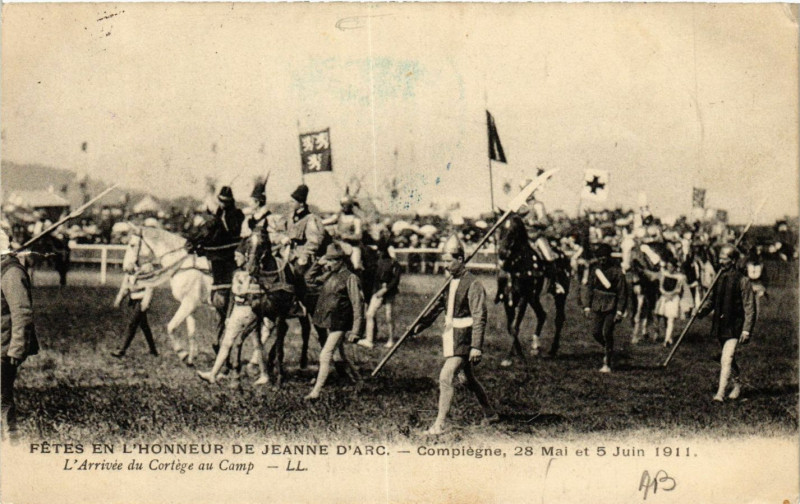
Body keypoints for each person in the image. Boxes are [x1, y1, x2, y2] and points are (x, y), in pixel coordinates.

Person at [410, 235, 498, 435]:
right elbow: (438, 308)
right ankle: (490, 414)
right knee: (467, 379)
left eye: (449, 261)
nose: (445, 265)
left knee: (446, 376)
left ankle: (440, 424)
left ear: (460, 259)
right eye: (444, 261)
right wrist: (420, 325)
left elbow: (479, 316)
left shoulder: (473, 284)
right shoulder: (448, 283)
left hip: (465, 338)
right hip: (451, 335)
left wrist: (476, 346)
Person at [185, 185, 245, 351]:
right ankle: (220, 335)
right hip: (218, 258)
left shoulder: (237, 214)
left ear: (230, 201)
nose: (222, 204)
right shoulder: (218, 213)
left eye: (225, 201)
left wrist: (220, 221)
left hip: (232, 255)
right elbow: (211, 235)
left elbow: (231, 233)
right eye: (221, 201)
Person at [697, 244, 756, 402]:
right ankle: (737, 385)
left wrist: (746, 330)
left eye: (724, 258)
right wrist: (701, 312)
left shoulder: (743, 281)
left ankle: (720, 393)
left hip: (736, 325)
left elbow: (750, 307)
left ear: (733, 260)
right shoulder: (718, 278)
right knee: (727, 357)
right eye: (720, 257)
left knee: (727, 357)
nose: (720, 261)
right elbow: (710, 300)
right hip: (721, 324)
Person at [304, 243, 363, 400]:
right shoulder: (330, 275)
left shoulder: (350, 278)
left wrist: (356, 330)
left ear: (340, 261)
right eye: (327, 261)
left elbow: (358, 305)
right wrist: (318, 262)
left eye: (331, 261)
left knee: (325, 355)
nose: (328, 264)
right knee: (339, 356)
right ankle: (359, 382)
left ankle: (316, 392)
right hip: (329, 321)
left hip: (341, 322)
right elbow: (308, 279)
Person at [1, 229, 39, 440]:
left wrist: (16, 349)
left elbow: (22, 313)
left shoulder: (12, 273)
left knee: (2, 398)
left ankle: (12, 440)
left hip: (4, 347)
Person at [580, 243, 628, 373]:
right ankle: (609, 349)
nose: (602, 259)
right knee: (596, 332)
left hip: (611, 305)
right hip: (597, 304)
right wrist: (586, 306)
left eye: (605, 257)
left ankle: (607, 362)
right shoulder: (595, 270)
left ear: (609, 257)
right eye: (600, 257)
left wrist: (619, 311)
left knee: (607, 332)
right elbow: (589, 288)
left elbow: (623, 292)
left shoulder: (617, 271)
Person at [359, 237, 402, 349]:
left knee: (389, 316)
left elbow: (395, 280)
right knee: (370, 314)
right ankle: (369, 340)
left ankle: (391, 339)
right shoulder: (378, 261)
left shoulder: (393, 263)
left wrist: (385, 289)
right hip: (378, 290)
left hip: (388, 291)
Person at [111, 263, 158, 358]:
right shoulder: (129, 272)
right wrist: (119, 298)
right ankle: (153, 350)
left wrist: (146, 302)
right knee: (144, 326)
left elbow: (150, 287)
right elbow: (125, 287)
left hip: (142, 301)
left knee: (132, 324)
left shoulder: (146, 269)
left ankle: (122, 350)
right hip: (133, 300)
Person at [322, 190, 364, 271]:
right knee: (326, 261)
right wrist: (317, 222)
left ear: (351, 206)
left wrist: (347, 236)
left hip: (352, 246)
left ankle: (357, 281)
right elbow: (328, 221)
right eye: (343, 205)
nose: (344, 207)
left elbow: (359, 235)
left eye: (346, 205)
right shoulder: (338, 216)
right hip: (339, 244)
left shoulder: (356, 219)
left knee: (355, 266)